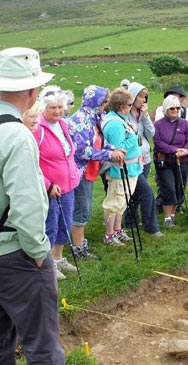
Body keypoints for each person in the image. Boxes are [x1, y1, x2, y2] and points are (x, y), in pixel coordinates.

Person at [0, 47, 99, 365]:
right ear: (30, 92)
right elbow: (26, 205)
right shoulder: (16, 135)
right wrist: (40, 253)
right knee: (41, 338)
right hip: (14, 251)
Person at [68, 85, 126, 259]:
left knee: (84, 207)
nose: (105, 105)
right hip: (80, 172)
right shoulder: (80, 120)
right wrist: (110, 154)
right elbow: (82, 151)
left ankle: (80, 244)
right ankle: (78, 248)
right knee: (81, 209)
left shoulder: (94, 117)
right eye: (104, 102)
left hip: (90, 170)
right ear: (96, 101)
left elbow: (99, 141)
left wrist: (113, 148)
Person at [34, 85, 81, 280]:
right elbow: (31, 161)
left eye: (60, 107)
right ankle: (48, 265)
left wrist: (74, 173)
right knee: (50, 224)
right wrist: (47, 184)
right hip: (51, 188)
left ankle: (59, 257)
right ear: (43, 108)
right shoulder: (38, 129)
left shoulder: (62, 125)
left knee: (65, 221)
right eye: (53, 107)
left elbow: (68, 152)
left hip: (68, 185)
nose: (58, 111)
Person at [100, 87, 140, 246]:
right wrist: (133, 137)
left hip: (129, 167)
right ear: (122, 106)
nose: (132, 107)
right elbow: (117, 148)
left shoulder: (120, 119)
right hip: (120, 168)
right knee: (114, 202)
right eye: (130, 104)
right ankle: (109, 235)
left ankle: (117, 230)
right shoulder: (115, 124)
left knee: (122, 202)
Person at [125, 82, 163, 237]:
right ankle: (151, 227)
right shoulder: (125, 114)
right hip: (132, 160)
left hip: (145, 158)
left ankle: (130, 222)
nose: (144, 100)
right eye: (141, 97)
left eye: (145, 97)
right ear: (133, 97)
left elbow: (151, 133)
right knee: (146, 192)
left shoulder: (142, 115)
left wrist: (146, 116)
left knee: (135, 193)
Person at [153, 95, 188, 227]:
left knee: (179, 188)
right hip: (165, 161)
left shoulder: (185, 124)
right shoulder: (158, 125)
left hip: (182, 160)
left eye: (178, 108)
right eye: (172, 108)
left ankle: (173, 214)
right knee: (168, 188)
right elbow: (157, 142)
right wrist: (174, 150)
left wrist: (185, 151)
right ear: (166, 109)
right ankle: (167, 218)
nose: (175, 110)